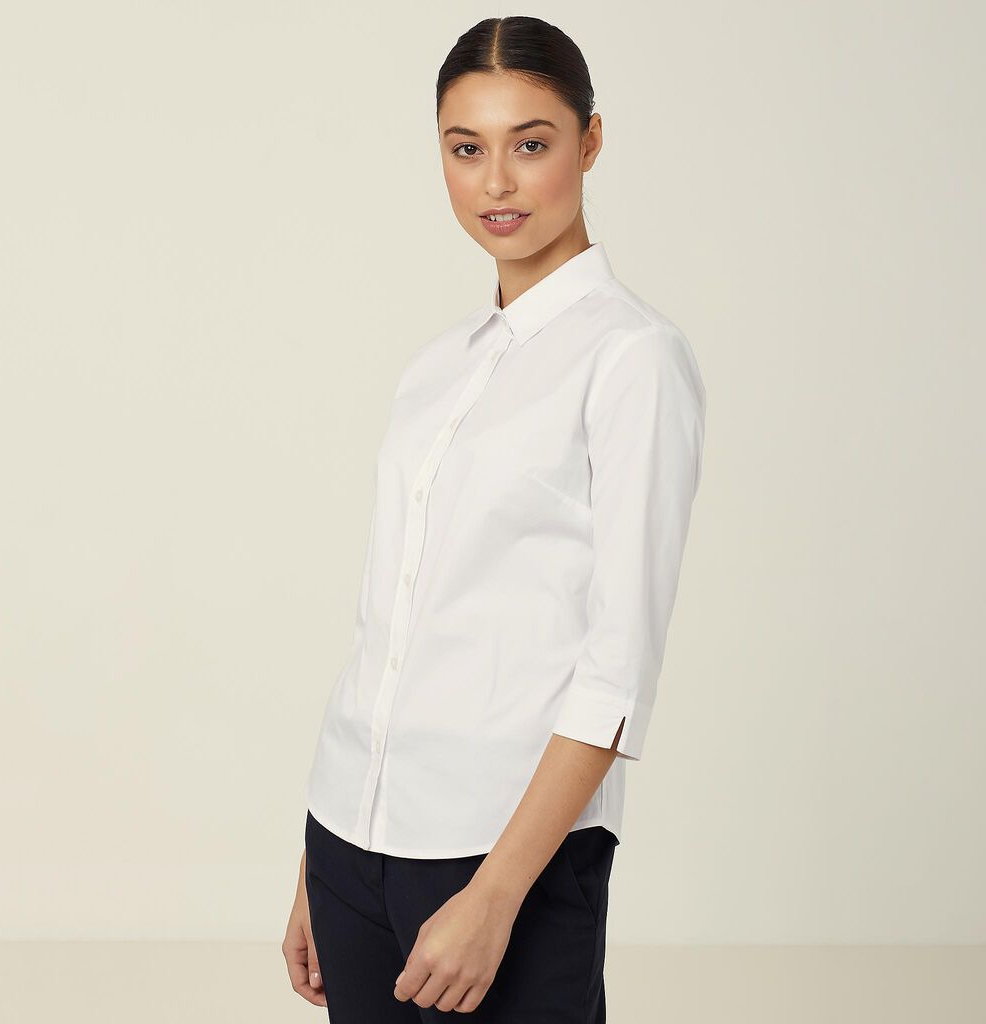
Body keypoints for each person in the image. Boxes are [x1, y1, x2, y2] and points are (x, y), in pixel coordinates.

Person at [283, 14, 706, 1022]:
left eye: (531, 143)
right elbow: (385, 632)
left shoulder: (633, 359)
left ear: (589, 143)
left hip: (501, 858)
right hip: (352, 841)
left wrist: (496, 894)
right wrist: (320, 854)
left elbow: (617, 671)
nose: (497, 182)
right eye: (466, 148)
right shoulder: (438, 367)